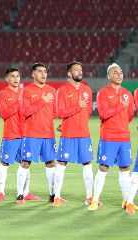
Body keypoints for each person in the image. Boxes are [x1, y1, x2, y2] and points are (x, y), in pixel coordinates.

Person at [88, 63, 135, 213]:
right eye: (115, 72)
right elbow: (104, 113)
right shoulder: (103, 93)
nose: (119, 75)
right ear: (109, 76)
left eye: (121, 72)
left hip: (124, 137)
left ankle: (126, 201)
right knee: (103, 168)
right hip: (108, 136)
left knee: (125, 168)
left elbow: (130, 115)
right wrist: (120, 106)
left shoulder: (128, 93)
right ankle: (95, 200)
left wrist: (121, 122)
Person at [54, 61, 94, 206]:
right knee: (62, 163)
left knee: (88, 164)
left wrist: (77, 119)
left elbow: (88, 111)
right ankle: (57, 197)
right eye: (76, 70)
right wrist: (77, 107)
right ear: (69, 74)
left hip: (84, 134)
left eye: (80, 69)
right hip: (68, 135)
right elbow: (60, 112)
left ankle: (89, 197)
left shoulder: (87, 90)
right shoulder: (62, 90)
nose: (79, 71)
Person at [19, 63, 57, 204]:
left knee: (51, 163)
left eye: (45, 71)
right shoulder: (27, 91)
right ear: (33, 74)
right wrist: (42, 101)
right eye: (40, 71)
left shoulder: (52, 91)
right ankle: (20, 195)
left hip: (48, 134)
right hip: (32, 134)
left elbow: (54, 112)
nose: (44, 74)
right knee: (25, 163)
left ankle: (53, 195)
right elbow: (25, 111)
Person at [0, 67, 25, 202]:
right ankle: (1, 192)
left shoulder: (24, 93)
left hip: (25, 134)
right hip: (10, 135)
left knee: (25, 163)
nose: (16, 79)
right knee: (4, 163)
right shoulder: (3, 94)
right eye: (12, 76)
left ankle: (25, 192)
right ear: (7, 79)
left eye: (18, 76)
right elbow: (4, 113)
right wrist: (18, 104)